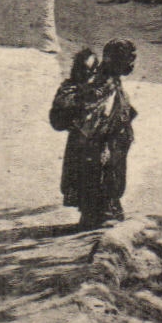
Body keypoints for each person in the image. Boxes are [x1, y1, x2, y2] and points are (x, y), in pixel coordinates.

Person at [68, 39, 139, 230]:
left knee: (105, 176)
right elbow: (101, 119)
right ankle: (100, 213)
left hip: (106, 141)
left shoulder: (108, 78)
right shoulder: (105, 82)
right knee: (102, 175)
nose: (131, 65)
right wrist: (107, 144)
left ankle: (103, 210)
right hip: (101, 143)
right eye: (129, 60)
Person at [50, 48, 100, 214]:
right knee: (77, 173)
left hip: (97, 138)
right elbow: (57, 118)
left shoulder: (100, 86)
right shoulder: (69, 88)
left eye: (94, 69)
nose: (91, 73)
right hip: (79, 140)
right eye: (87, 69)